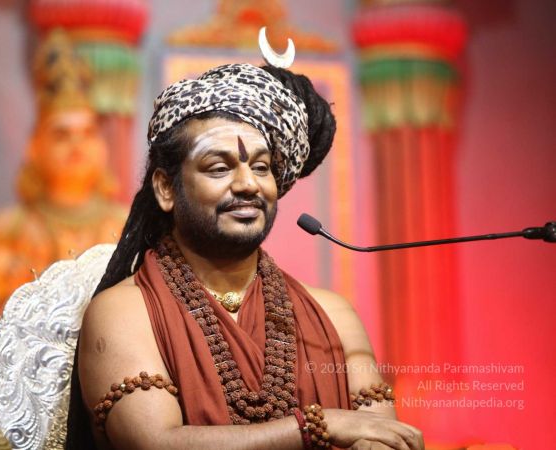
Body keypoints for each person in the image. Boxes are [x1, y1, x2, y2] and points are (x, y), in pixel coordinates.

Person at [66, 45, 424, 449]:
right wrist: (315, 426)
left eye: (261, 167)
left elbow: (381, 434)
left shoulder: (333, 316)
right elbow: (155, 442)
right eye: (219, 168)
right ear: (166, 188)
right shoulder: (125, 311)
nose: (248, 184)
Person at [0, 29, 128, 342]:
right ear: (34, 147)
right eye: (61, 134)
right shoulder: (11, 229)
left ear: (103, 147)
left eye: (88, 133)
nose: (77, 145)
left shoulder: (126, 225)